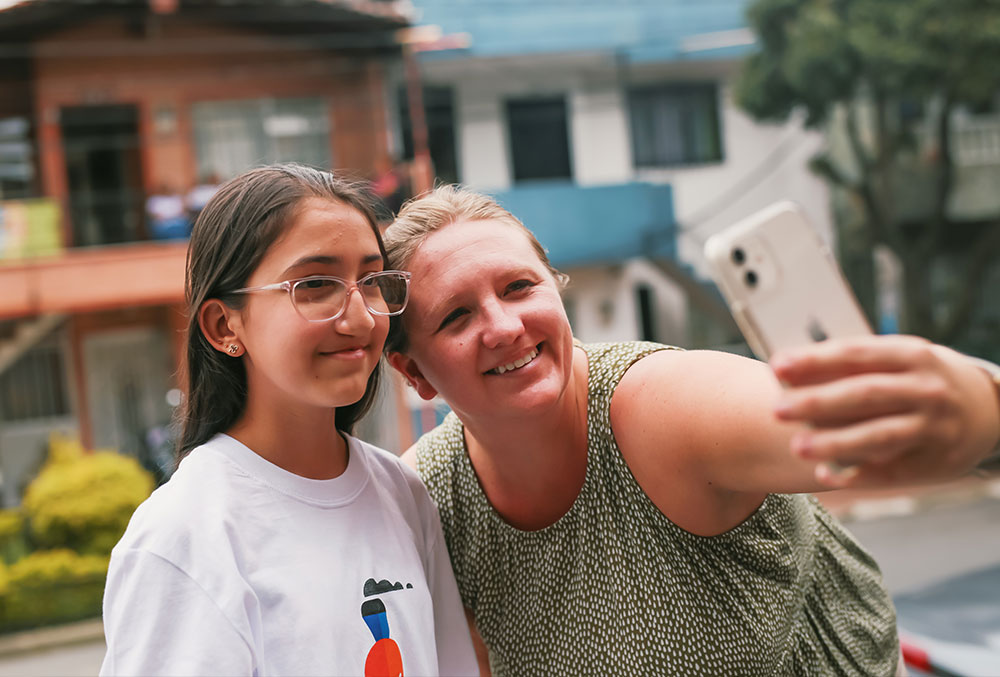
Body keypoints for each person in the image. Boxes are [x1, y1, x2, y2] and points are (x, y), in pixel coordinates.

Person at [382, 185, 1000, 677]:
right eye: (457, 316)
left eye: (520, 287)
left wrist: (978, 410)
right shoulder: (429, 499)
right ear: (415, 372)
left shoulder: (660, 407)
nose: (504, 327)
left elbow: (837, 433)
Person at [100, 165, 479, 677]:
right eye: (317, 284)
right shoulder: (185, 535)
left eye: (371, 281)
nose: (361, 317)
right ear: (223, 324)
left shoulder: (402, 493)